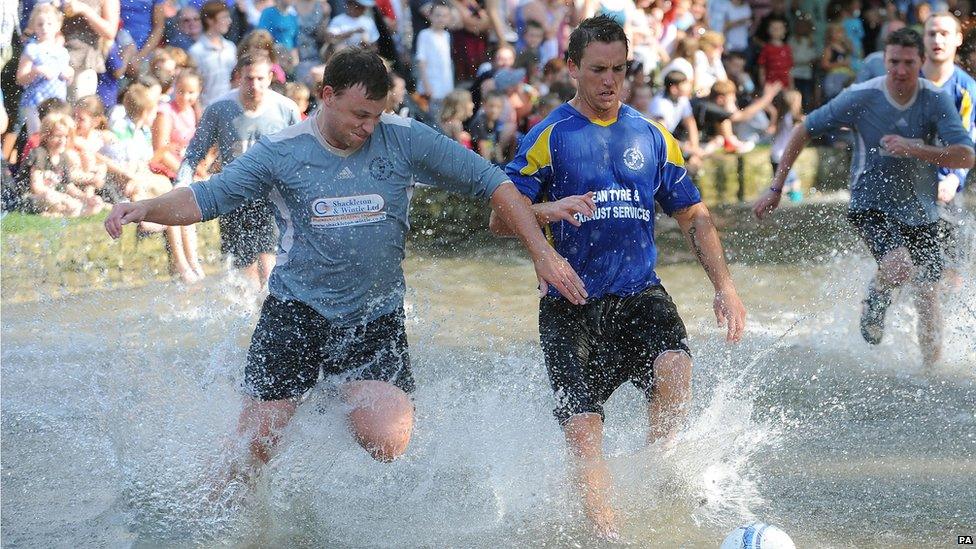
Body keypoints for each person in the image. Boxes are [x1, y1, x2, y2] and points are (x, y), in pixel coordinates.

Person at [104, 47, 585, 486]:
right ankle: (216, 513)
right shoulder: (282, 150)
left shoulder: (403, 137)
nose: (368, 127)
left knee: (388, 443)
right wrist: (145, 207)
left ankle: (333, 392)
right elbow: (206, 198)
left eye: (376, 115)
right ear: (325, 96)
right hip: (297, 313)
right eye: (359, 115)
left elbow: (492, 183)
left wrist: (541, 251)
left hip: (373, 316)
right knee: (256, 447)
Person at [489, 16, 746, 539]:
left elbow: (694, 216)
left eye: (620, 70)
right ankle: (608, 536)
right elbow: (499, 218)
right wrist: (549, 207)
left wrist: (725, 287)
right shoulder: (549, 136)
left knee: (676, 368)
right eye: (598, 70)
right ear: (572, 69)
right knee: (585, 435)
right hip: (570, 305)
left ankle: (658, 472)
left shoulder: (651, 136)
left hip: (638, 295)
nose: (610, 81)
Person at [753, 28, 975, 368]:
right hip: (871, 203)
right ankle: (877, 293)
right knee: (899, 267)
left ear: (921, 62)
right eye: (894, 62)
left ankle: (930, 372)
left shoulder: (935, 99)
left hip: (923, 209)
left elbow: (965, 156)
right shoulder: (862, 95)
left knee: (928, 295)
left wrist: (915, 148)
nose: (900, 71)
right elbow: (804, 129)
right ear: (883, 61)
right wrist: (776, 187)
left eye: (908, 63)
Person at [174, 52, 301, 290]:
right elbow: (195, 152)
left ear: (271, 77)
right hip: (233, 195)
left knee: (271, 265)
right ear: (238, 78)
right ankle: (248, 317)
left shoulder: (285, 109)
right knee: (244, 275)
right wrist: (181, 183)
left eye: (261, 79)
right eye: (249, 79)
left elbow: (302, 155)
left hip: (271, 195)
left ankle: (271, 310)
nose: (255, 85)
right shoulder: (219, 109)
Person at [920, 12, 976, 287]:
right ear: (923, 39)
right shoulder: (907, 81)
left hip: (948, 187)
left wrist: (954, 179)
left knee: (952, 275)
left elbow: (967, 142)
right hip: (908, 187)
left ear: (958, 39)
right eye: (931, 34)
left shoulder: (966, 89)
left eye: (944, 34)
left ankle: (951, 324)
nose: (937, 40)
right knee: (902, 267)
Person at [16, 4, 74, 136]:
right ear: (34, 26)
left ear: (58, 25)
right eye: (40, 24)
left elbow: (68, 81)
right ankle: (35, 155)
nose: (44, 28)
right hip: (36, 102)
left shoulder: (62, 52)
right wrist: (36, 71)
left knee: (55, 134)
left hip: (57, 103)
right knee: (37, 136)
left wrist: (70, 73)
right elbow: (20, 78)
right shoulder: (32, 49)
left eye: (49, 24)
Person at [188, 0, 237, 107]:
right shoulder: (196, 51)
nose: (229, 21)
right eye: (224, 17)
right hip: (207, 110)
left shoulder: (231, 47)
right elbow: (193, 86)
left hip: (229, 109)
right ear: (209, 20)